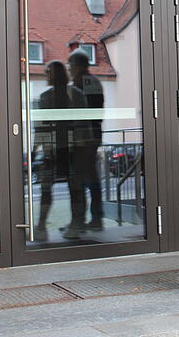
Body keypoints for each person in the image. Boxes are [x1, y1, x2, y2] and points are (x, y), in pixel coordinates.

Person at [32, 60, 85, 242]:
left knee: (48, 188)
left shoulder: (47, 96)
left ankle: (41, 226)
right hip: (71, 149)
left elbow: (41, 126)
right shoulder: (76, 94)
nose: (46, 75)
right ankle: (76, 225)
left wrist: (35, 148)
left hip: (55, 149)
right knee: (75, 188)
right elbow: (84, 123)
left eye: (48, 72)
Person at [63, 49, 105, 238]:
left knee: (81, 180)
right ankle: (89, 219)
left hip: (86, 138)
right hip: (88, 137)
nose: (69, 69)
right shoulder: (88, 82)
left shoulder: (86, 83)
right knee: (87, 180)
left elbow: (90, 113)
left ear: (78, 65)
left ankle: (86, 220)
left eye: (71, 65)